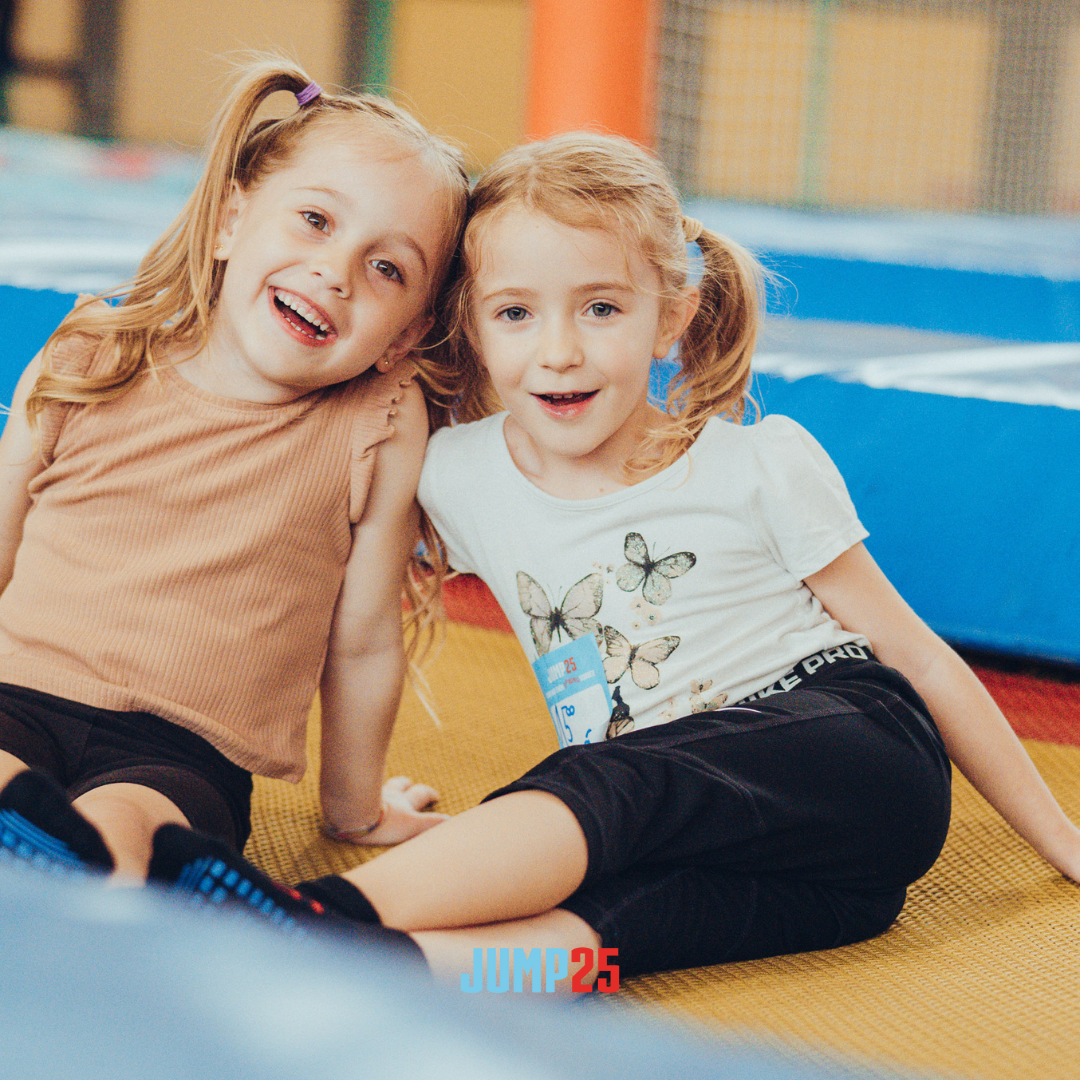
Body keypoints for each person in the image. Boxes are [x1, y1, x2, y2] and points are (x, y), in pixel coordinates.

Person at [148, 132, 1080, 987]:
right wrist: (354, 805)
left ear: (671, 316)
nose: (559, 352)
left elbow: (916, 656)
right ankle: (378, 967)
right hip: (823, 889)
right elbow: (334, 602)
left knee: (608, 785)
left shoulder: (758, 463)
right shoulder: (454, 472)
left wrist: (1063, 841)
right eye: (515, 313)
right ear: (468, 325)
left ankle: (300, 925)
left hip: (855, 760)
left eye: (601, 308)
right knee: (608, 930)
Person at [0, 58, 468, 884]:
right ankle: (37, 826)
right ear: (228, 223)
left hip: (183, 753)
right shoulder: (94, 353)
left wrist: (354, 810)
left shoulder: (377, 425)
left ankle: (98, 856)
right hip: (16, 693)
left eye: (386, 267)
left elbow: (361, 642)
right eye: (315, 221)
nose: (336, 271)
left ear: (404, 336)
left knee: (139, 814)